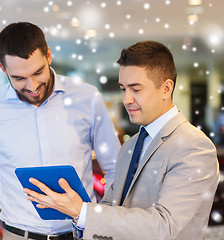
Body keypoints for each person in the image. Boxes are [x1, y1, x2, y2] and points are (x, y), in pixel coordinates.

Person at [24, 40, 220, 240]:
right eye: (123, 89)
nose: (126, 99)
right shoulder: (130, 146)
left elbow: (165, 227)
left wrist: (82, 212)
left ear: (166, 88)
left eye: (136, 89)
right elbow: (111, 207)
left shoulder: (195, 147)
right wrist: (78, 215)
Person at [0, 22, 121, 240]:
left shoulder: (87, 98)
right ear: (3, 70)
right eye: (19, 78)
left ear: (48, 55)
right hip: (18, 235)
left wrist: (103, 221)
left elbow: (117, 170)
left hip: (81, 234)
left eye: (37, 72)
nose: (31, 87)